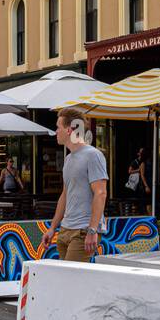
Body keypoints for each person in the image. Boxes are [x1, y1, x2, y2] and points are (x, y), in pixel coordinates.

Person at [38, 109, 108, 262]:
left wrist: (92, 230)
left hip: (83, 231)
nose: (56, 131)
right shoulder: (69, 159)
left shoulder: (93, 155)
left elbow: (101, 193)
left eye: (58, 127)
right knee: (70, 282)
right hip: (65, 229)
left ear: (69, 130)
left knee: (71, 280)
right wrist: (52, 228)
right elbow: (65, 195)